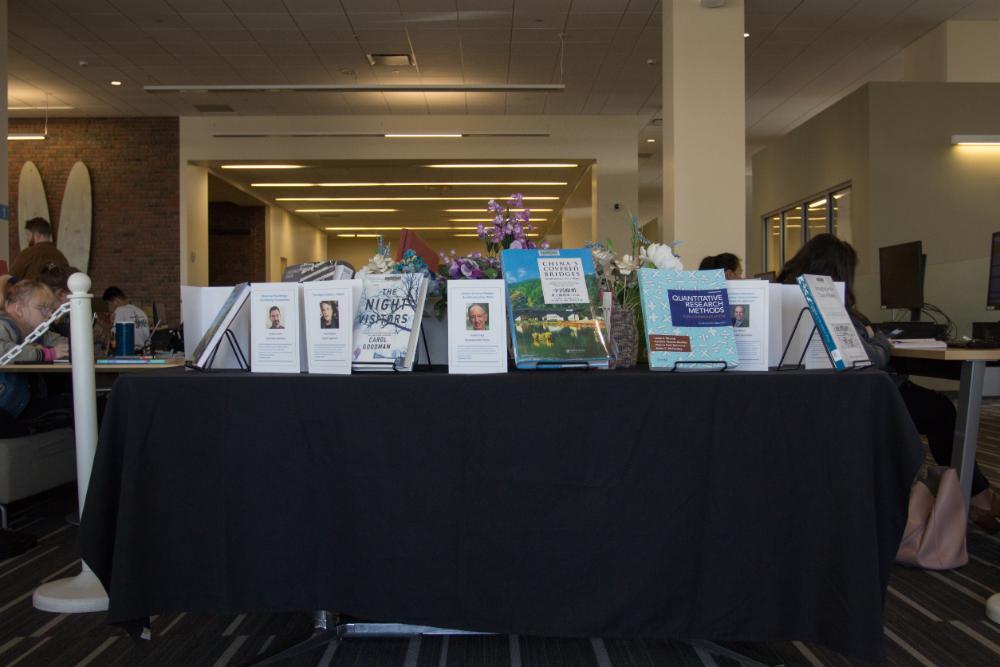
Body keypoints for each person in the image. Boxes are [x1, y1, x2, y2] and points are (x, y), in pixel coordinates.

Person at [777, 233, 1000, 532]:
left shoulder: (787, 297)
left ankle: (975, 494)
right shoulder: (826, 303)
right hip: (868, 395)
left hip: (824, 397)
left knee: (936, 408)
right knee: (942, 411)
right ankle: (978, 497)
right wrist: (880, 340)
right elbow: (865, 356)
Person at [0, 281, 70, 432]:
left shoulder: (37, 331)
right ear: (19, 309)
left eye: (51, 309)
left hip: (21, 402)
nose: (50, 315)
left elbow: (65, 343)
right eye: (42, 308)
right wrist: (48, 353)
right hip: (7, 407)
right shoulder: (3, 325)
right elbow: (2, 351)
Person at [101, 286, 151, 352]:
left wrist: (107, 327)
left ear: (115, 301)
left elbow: (113, 339)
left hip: (129, 353)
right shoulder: (141, 311)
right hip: (145, 353)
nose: (110, 308)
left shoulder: (120, 310)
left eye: (109, 304)